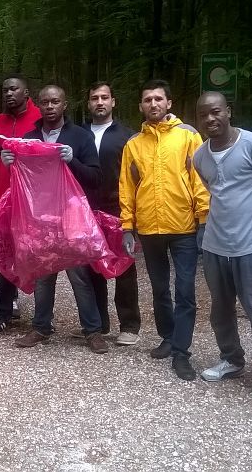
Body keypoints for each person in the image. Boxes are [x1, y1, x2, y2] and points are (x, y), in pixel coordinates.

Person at [193, 91, 252, 410]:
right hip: (216, 244)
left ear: (228, 112)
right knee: (221, 309)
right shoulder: (200, 156)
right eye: (203, 114)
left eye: (216, 112)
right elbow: (214, 190)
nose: (210, 119)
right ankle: (231, 359)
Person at [119, 79, 209, 381]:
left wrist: (203, 219)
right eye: (147, 100)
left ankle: (182, 353)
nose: (153, 104)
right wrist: (127, 227)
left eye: (159, 99)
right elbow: (127, 187)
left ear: (169, 103)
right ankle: (168, 337)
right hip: (149, 227)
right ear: (141, 106)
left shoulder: (188, 137)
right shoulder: (133, 144)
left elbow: (199, 179)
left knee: (185, 290)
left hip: (183, 226)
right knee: (159, 289)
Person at [7, 85, 106, 353]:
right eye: (45, 102)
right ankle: (41, 327)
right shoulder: (29, 138)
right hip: (40, 218)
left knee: (80, 276)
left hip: (71, 217)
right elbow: (22, 182)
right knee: (43, 275)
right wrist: (10, 161)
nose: (50, 106)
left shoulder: (81, 137)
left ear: (65, 104)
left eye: (55, 101)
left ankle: (93, 331)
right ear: (38, 105)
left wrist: (72, 160)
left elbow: (95, 179)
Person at [0, 74, 42, 333]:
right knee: (7, 256)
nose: (8, 93)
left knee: (38, 259)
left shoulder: (40, 118)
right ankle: (4, 313)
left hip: (35, 202)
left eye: (14, 89)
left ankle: (42, 320)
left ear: (26, 93)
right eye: (5, 89)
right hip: (6, 200)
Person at [82, 81, 141, 346]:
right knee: (92, 267)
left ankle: (129, 325)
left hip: (118, 209)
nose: (100, 102)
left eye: (105, 97)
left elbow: (137, 175)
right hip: (85, 210)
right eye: (95, 98)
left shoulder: (128, 136)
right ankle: (99, 324)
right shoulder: (79, 134)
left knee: (125, 267)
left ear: (113, 101)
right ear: (88, 103)